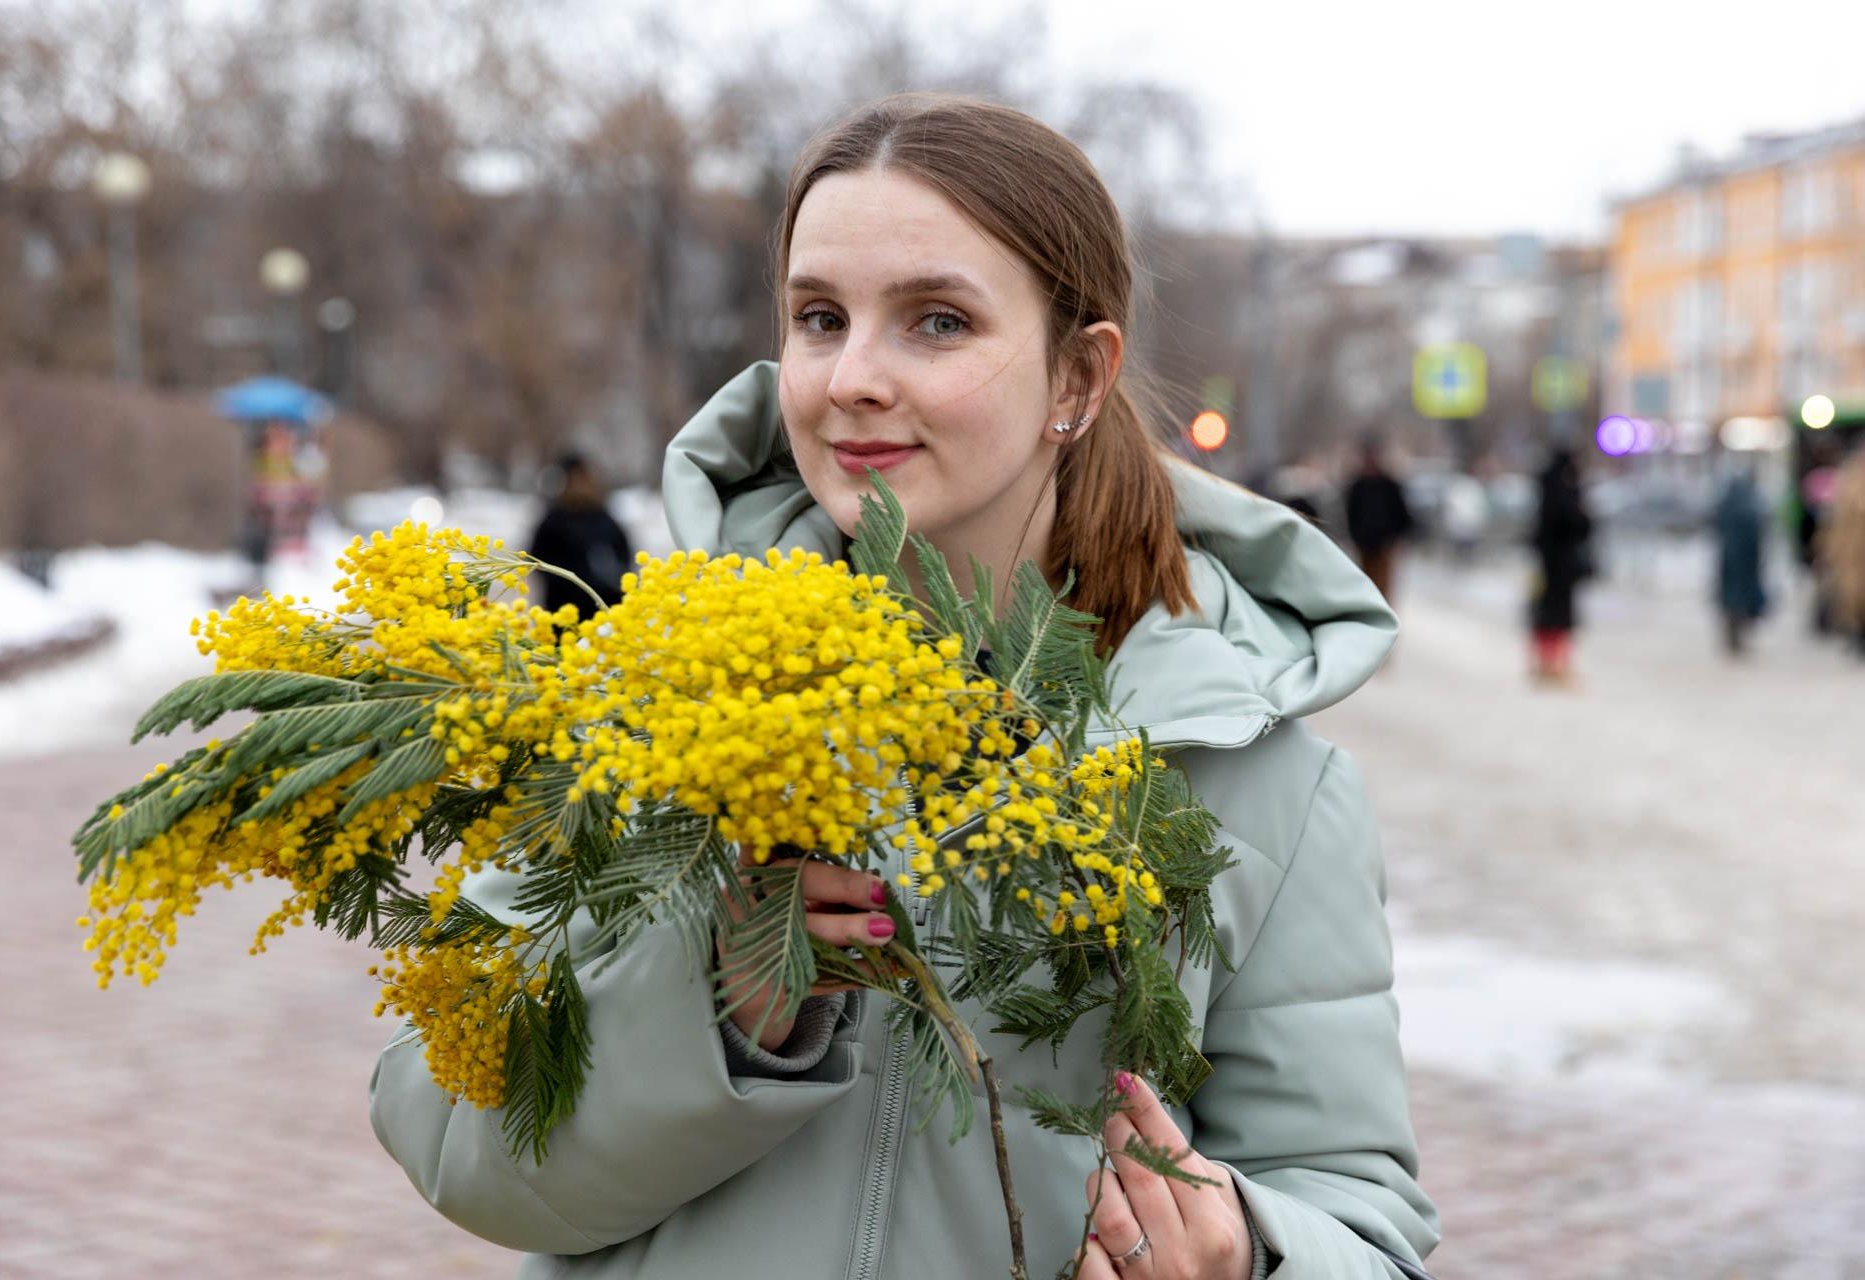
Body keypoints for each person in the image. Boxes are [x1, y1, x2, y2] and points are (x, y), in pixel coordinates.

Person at [370, 94, 1439, 1280]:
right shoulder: (649, 702)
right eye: (819, 318)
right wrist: (719, 1015)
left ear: (1079, 377)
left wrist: (1247, 1249)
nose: (852, 379)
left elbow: (1362, 1223)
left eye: (936, 321)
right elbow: (458, 1136)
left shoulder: (1263, 790)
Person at [527, 451, 633, 618]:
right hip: (563, 609)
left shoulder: (603, 517)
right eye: (577, 479)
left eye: (585, 478)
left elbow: (623, 554)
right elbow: (536, 559)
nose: (582, 485)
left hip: (603, 608)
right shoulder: (554, 520)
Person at [1528, 447, 1593, 686]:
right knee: (1559, 616)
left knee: (1547, 614)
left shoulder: (1545, 491)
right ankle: (1556, 665)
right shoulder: (1565, 493)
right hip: (1562, 566)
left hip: (1546, 564)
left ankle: (1547, 663)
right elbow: (1579, 525)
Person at [1342, 436, 1416, 602]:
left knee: (1383, 586)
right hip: (1364, 544)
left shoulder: (1389, 485)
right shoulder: (1357, 486)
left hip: (1385, 544)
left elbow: (1401, 513)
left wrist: (1395, 537)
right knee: (1367, 583)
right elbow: (1350, 514)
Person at [1712, 466, 1769, 657]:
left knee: (1734, 602)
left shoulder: (1731, 502)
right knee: (1737, 601)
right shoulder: (1748, 505)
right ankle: (1735, 638)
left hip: (1733, 560)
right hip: (1740, 562)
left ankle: (1734, 638)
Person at [1820, 442, 1865, 656]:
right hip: (1852, 555)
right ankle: (1857, 636)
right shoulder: (1848, 483)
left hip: (1854, 555)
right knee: (1851, 599)